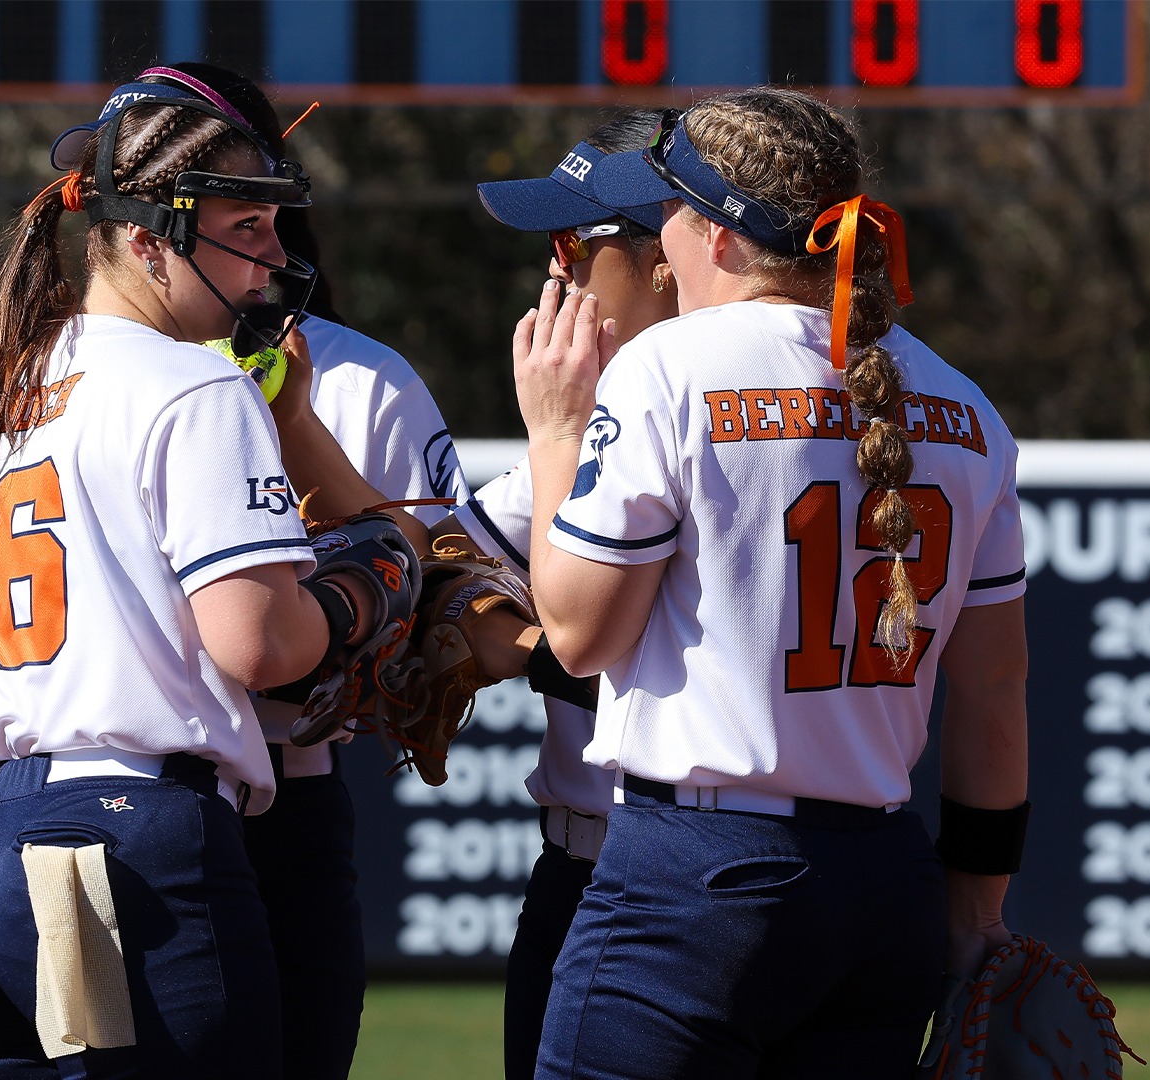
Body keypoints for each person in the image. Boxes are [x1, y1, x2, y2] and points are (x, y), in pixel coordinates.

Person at [0, 78, 419, 1079]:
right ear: (146, 239)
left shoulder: (9, 377)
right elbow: (261, 645)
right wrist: (369, 583)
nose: (275, 251)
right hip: (127, 845)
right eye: (247, 224)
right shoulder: (195, 380)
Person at [515, 87, 1030, 1079]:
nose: (661, 238)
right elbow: (997, 690)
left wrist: (552, 434)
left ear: (716, 228)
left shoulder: (672, 367)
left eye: (671, 207)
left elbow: (579, 635)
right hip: (886, 888)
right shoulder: (965, 406)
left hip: (695, 879)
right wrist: (976, 914)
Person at [98, 62, 472, 1080]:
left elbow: (453, 571)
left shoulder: (359, 378)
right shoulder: (67, 377)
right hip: (129, 800)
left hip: (285, 793)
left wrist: (408, 613)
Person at [445, 108, 678, 1080]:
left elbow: (580, 644)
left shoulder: (716, 424)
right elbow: (441, 582)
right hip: (591, 869)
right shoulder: (600, 432)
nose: (557, 277)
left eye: (577, 247)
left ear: (673, 253)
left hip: (670, 877)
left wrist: (547, 641)